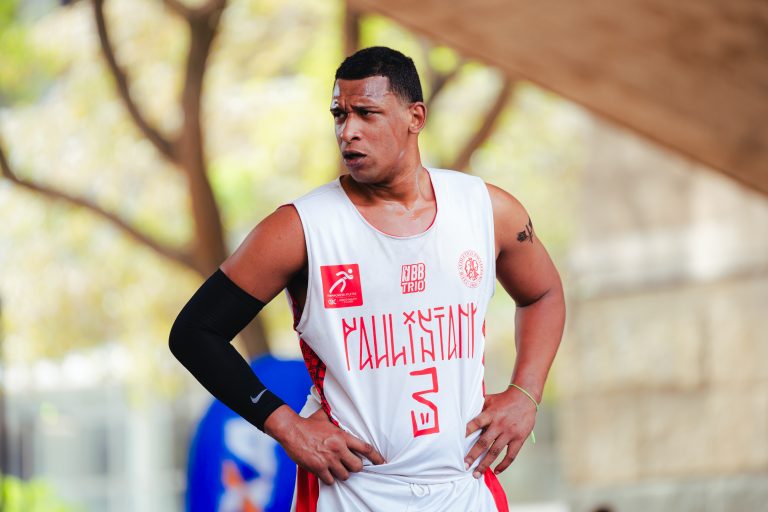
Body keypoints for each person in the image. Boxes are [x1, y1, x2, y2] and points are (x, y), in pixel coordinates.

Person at [170, 46, 565, 512]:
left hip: (464, 487)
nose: (348, 131)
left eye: (366, 113)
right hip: (353, 491)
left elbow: (543, 293)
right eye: (339, 114)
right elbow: (195, 332)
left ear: (415, 117)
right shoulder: (300, 228)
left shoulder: (487, 210)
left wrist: (525, 393)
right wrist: (286, 426)